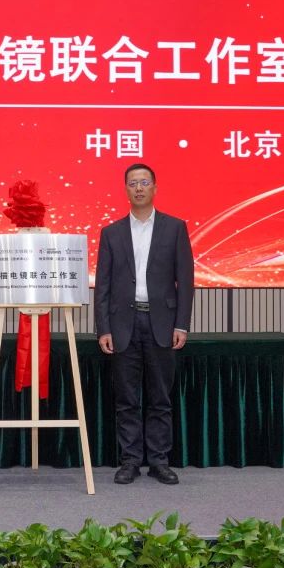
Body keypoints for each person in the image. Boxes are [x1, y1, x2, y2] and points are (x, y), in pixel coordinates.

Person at [94, 163, 193, 486]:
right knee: (127, 399)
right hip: (123, 323)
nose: (139, 188)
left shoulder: (174, 228)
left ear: (155, 188)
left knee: (160, 398)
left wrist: (181, 324)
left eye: (144, 182)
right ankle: (130, 461)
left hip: (161, 322)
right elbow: (103, 286)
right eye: (133, 183)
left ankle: (159, 461)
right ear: (126, 189)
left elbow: (185, 281)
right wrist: (103, 328)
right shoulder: (111, 233)